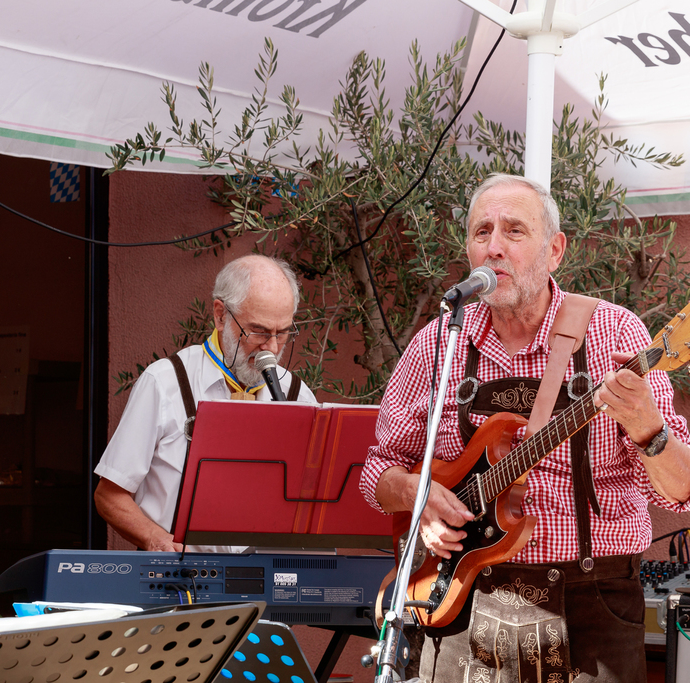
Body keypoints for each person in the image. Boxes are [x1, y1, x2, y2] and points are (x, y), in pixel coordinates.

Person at [360, 174, 690, 683]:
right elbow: (379, 470)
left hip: (589, 608)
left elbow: (680, 491)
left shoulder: (613, 333)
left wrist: (649, 428)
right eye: (482, 232)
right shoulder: (438, 344)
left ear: (554, 250)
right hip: (459, 602)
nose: (494, 247)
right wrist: (416, 495)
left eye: (514, 231)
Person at [94, 254, 317, 553]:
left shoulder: (297, 395)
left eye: (283, 333)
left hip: (267, 576)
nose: (272, 348)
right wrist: (155, 538)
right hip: (179, 575)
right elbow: (109, 496)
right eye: (259, 332)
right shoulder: (165, 382)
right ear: (221, 315)